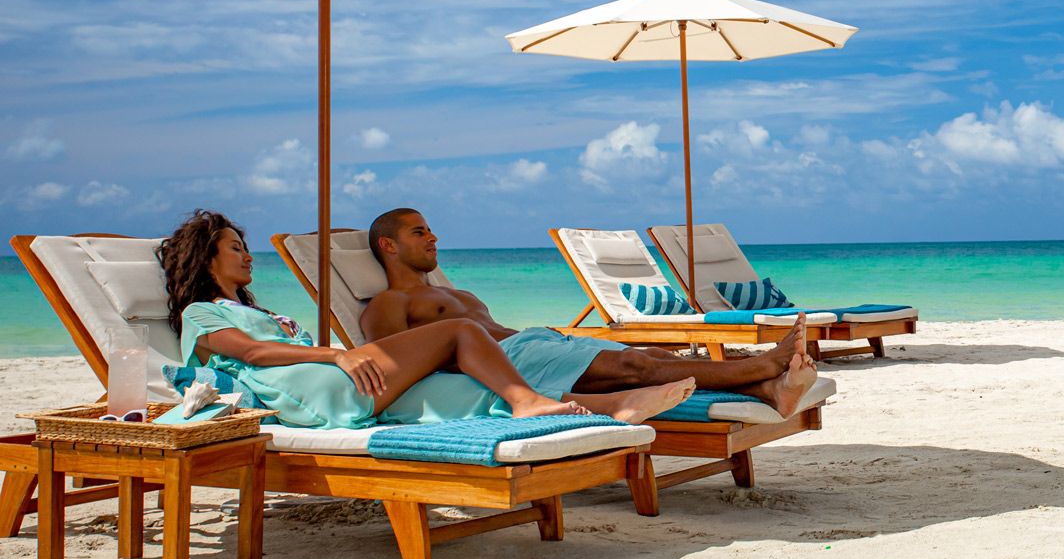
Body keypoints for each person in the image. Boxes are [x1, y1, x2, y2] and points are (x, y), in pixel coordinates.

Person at [160, 210, 694, 429]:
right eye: (236, 248)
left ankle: (612, 406)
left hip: (331, 383)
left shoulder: (255, 310)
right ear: (205, 256)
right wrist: (336, 353)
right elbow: (252, 355)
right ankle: (531, 400)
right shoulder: (200, 312)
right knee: (462, 332)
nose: (248, 256)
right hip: (306, 391)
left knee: (472, 396)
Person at [358, 208, 819, 417]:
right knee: (635, 366)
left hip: (535, 342)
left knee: (655, 363)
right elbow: (388, 359)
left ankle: (765, 390)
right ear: (389, 245)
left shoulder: (453, 292)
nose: (433, 238)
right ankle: (764, 365)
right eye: (420, 232)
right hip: (506, 363)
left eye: (431, 230)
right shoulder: (388, 303)